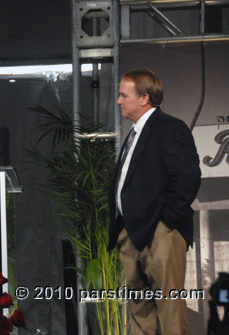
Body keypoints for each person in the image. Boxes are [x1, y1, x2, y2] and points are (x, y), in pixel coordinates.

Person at [108, 68, 201, 335]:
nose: (118, 101)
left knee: (169, 311)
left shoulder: (170, 128)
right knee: (139, 310)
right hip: (131, 233)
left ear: (144, 98)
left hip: (161, 234)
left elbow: (188, 178)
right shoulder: (134, 133)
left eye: (124, 95)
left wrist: (166, 222)